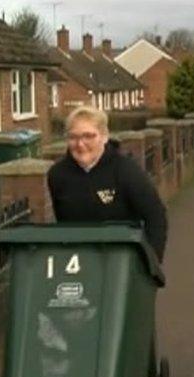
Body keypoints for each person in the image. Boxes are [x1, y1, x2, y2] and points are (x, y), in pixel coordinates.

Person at [48, 106, 168, 261]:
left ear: (104, 137)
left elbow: (156, 216)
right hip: (78, 262)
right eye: (73, 137)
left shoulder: (126, 171)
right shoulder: (57, 175)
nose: (80, 144)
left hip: (121, 262)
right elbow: (63, 226)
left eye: (88, 136)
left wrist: (151, 264)